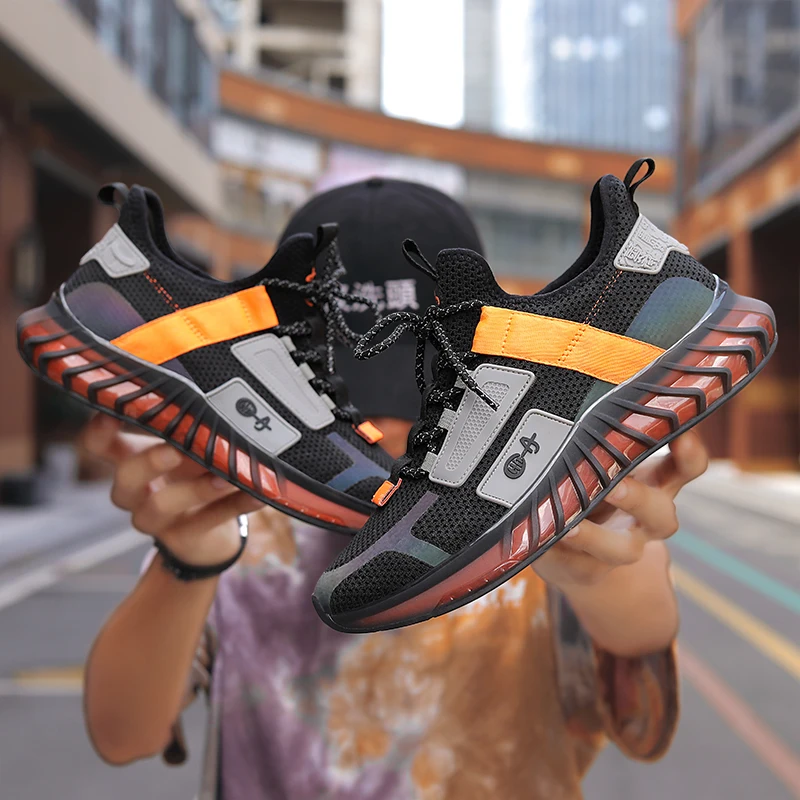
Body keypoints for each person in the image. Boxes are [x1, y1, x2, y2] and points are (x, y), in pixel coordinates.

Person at [82, 179, 706, 800]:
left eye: (426, 396)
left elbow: (642, 666)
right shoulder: (234, 503)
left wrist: (596, 571)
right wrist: (187, 563)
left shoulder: (529, 485)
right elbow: (123, 734)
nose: (381, 431)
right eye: (342, 399)